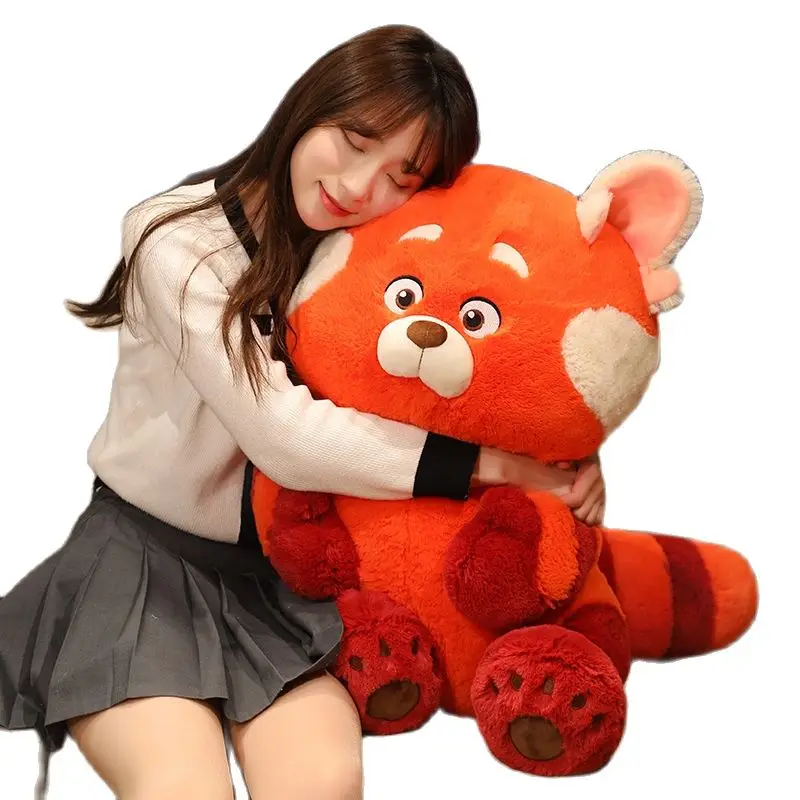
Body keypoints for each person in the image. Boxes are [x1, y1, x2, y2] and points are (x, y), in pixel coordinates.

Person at [0, 23, 605, 800]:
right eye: (353, 139)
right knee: (183, 789)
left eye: (401, 176)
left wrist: (562, 461)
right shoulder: (175, 238)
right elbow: (284, 436)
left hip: (281, 581)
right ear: (311, 105)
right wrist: (494, 468)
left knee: (324, 781)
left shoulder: (370, 259)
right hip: (143, 563)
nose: (358, 186)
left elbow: (475, 361)